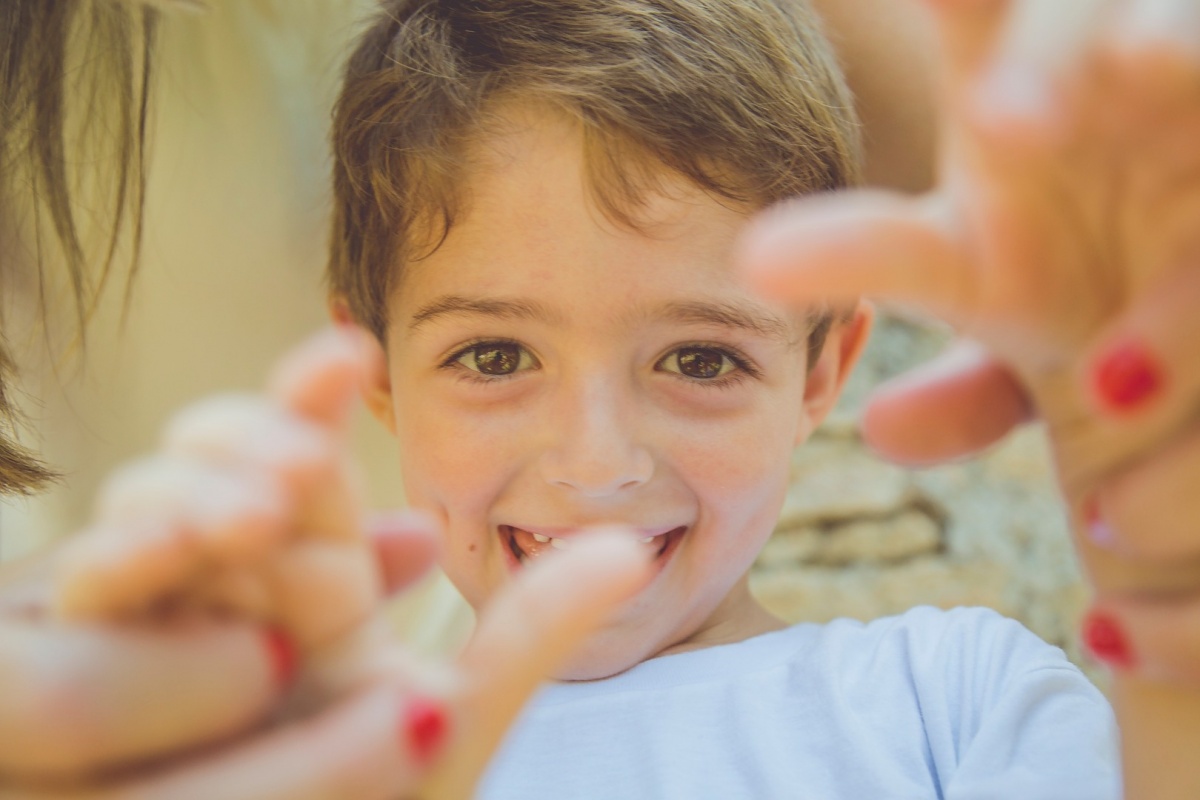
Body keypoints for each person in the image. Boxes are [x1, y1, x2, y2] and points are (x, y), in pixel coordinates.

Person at [43, 0, 1126, 796]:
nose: (595, 462)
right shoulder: (323, 763)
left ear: (825, 368)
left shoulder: (958, 699)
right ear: (374, 370)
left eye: (700, 360)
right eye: (495, 355)